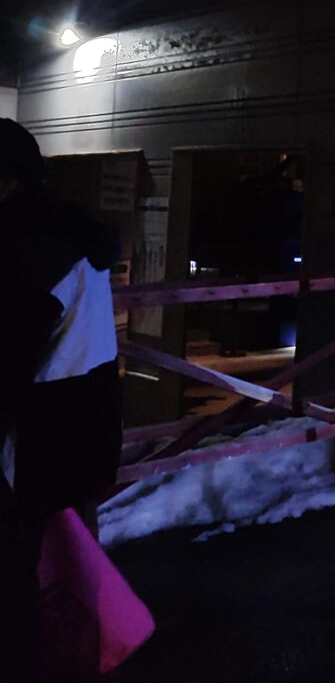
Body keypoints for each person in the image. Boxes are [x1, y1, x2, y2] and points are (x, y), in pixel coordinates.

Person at [0, 118, 123, 679]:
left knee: (21, 577)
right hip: (88, 426)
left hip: (39, 442)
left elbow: (9, 357)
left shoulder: (31, 249)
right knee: (71, 566)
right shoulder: (74, 235)